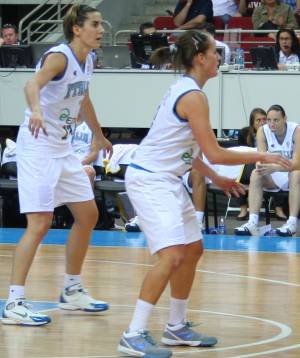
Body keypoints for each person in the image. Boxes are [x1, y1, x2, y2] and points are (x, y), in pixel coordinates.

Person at [117, 30, 291, 357]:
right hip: (151, 180)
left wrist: (218, 180)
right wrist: (260, 155)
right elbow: (216, 152)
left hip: (167, 180)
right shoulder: (192, 96)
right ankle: (133, 332)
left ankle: (175, 326)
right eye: (214, 52)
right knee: (172, 256)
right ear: (200, 58)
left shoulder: (190, 92)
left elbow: (192, 153)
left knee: (193, 249)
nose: (218, 57)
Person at [1, 4, 113, 327]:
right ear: (77, 29)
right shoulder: (59, 56)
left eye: (101, 24)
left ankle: (72, 289)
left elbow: (85, 99)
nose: (101, 29)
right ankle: (14, 302)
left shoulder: (88, 59)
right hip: (37, 147)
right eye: (95, 24)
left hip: (62, 149)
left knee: (88, 215)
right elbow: (30, 85)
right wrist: (35, 109)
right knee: (39, 222)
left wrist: (100, 136)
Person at [235, 104, 300, 237]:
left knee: (296, 173)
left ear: (284, 119)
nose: (272, 124)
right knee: (255, 173)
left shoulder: (296, 131)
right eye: (269, 120)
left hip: (291, 175)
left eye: (276, 120)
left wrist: (275, 167)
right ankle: (252, 222)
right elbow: (260, 160)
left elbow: (297, 164)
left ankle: (292, 223)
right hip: (273, 176)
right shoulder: (262, 131)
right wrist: (262, 166)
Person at [72, 107, 99, 185]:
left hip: (84, 164)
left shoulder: (93, 126)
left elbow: (94, 153)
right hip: (67, 163)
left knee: (89, 172)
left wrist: (79, 164)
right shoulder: (64, 125)